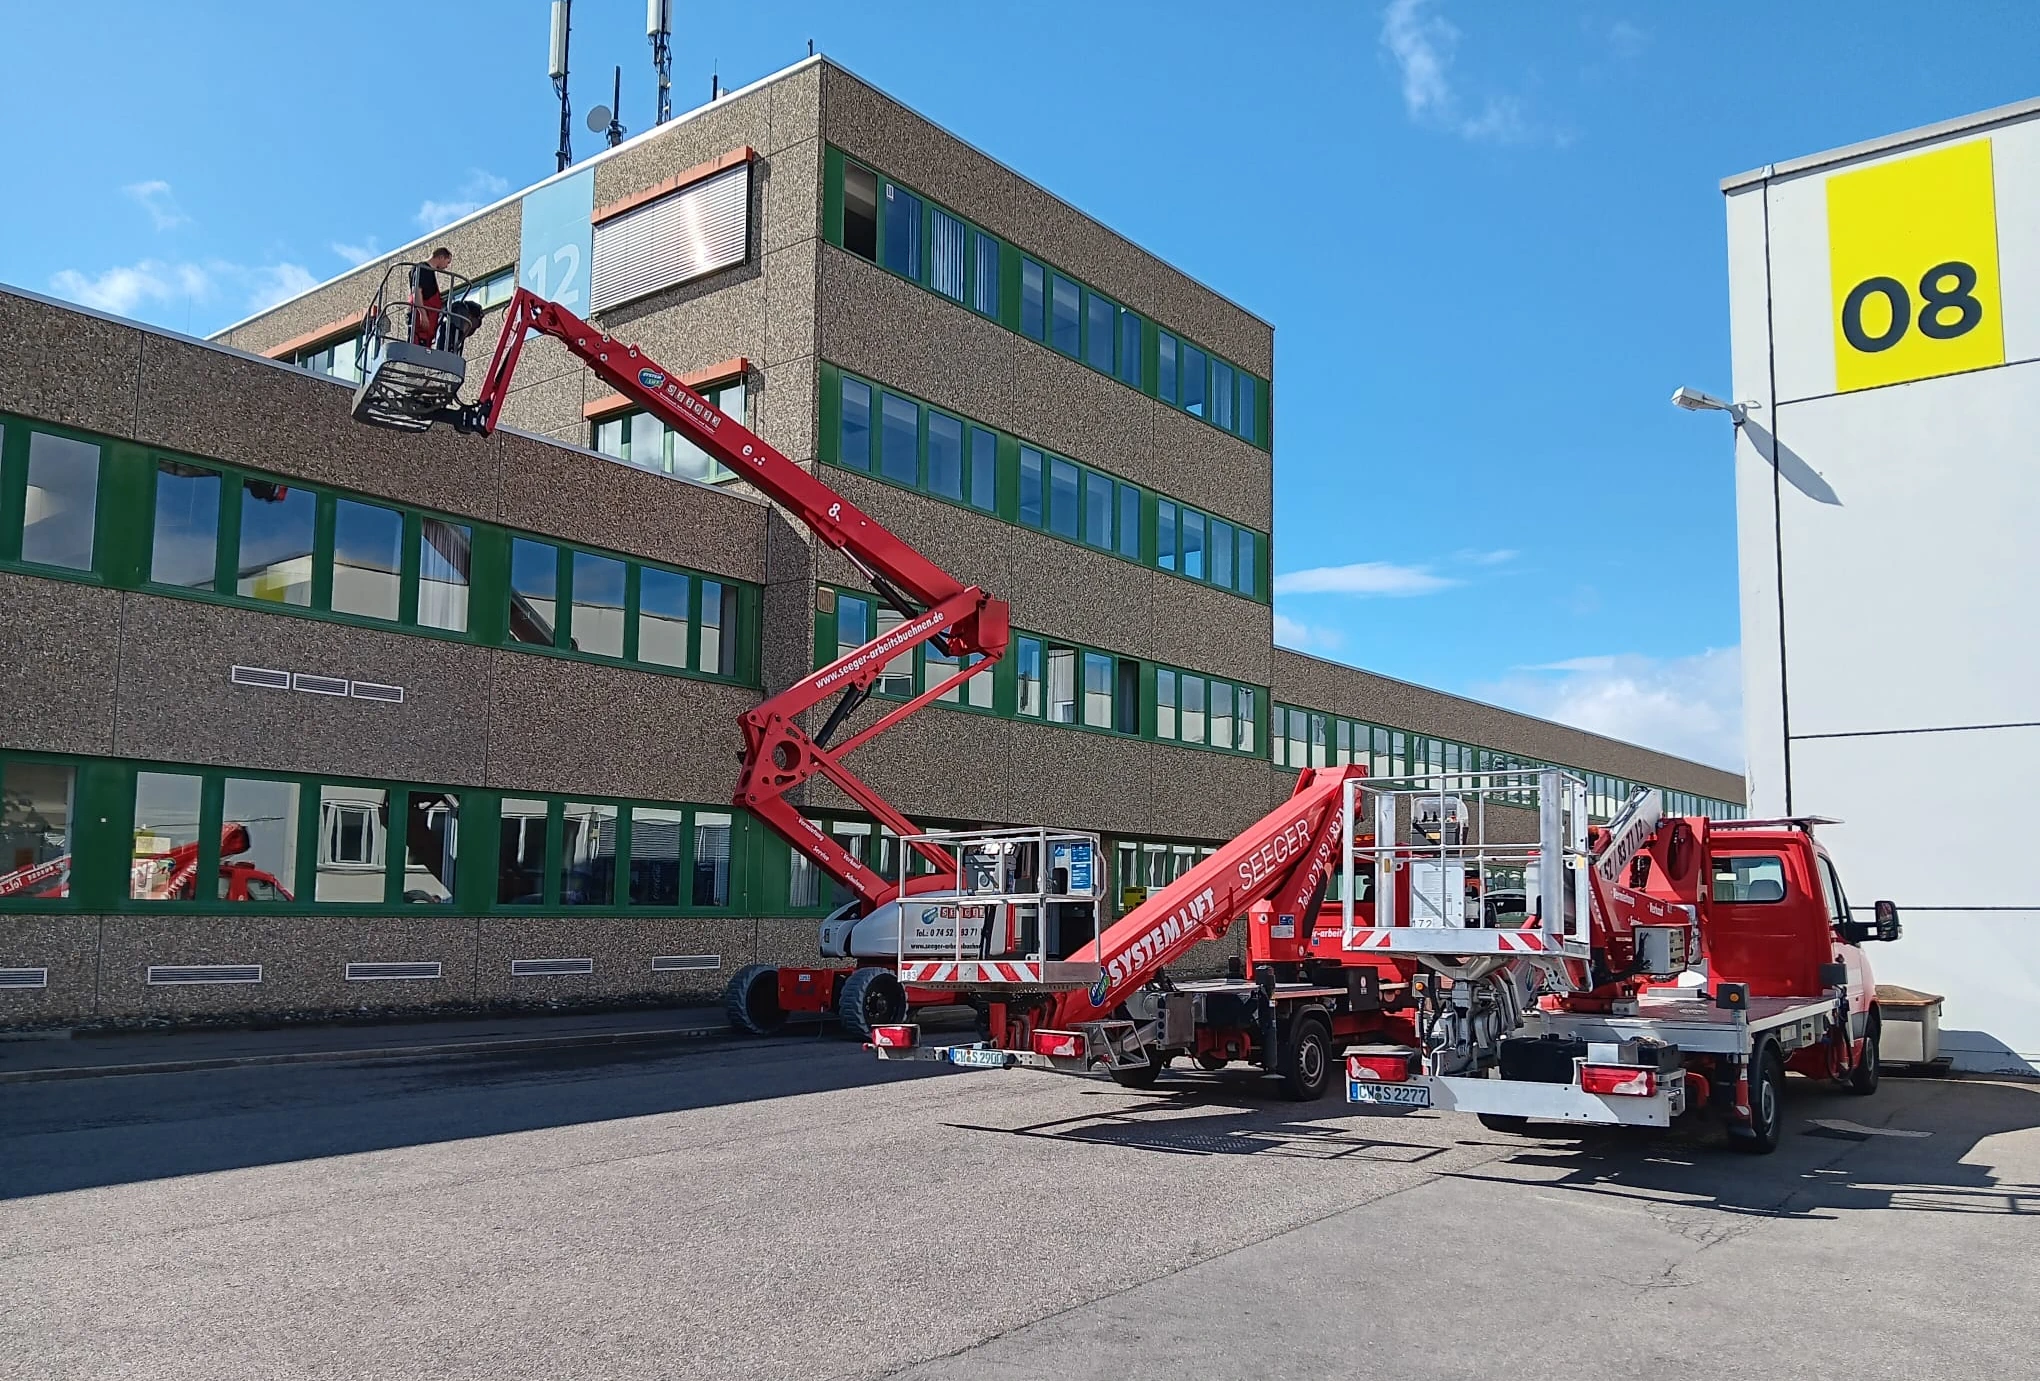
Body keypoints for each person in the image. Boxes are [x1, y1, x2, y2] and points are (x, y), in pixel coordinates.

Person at [410, 247, 452, 346]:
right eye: (447, 262)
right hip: (422, 324)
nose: (446, 266)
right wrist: (423, 314)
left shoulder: (427, 271)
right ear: (441, 257)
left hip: (428, 326)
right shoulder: (423, 269)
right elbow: (417, 292)